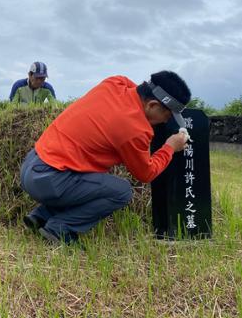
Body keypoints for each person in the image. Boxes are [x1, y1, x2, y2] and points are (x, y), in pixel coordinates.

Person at [19, 70, 191, 244]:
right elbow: (145, 173)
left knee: (86, 176)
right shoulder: (135, 129)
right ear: (152, 105)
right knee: (121, 192)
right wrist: (170, 147)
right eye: (167, 116)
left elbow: (134, 86)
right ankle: (60, 228)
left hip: (32, 164)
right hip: (50, 180)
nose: (165, 122)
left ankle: (41, 216)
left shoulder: (115, 83)